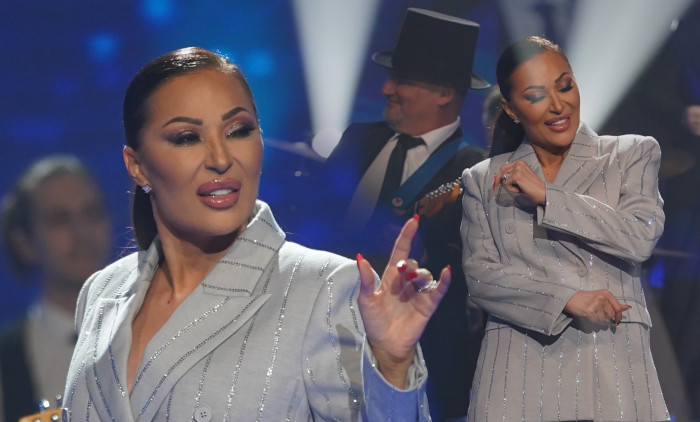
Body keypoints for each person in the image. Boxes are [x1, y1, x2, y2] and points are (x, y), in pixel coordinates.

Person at [60, 46, 450, 422]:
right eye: (187, 137)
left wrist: (392, 366)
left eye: (238, 130)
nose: (220, 159)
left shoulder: (325, 288)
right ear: (137, 166)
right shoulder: (101, 291)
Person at [461, 36, 668, 421]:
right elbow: (480, 277)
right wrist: (565, 299)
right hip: (515, 373)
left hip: (611, 363)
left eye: (565, 86)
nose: (558, 105)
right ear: (510, 108)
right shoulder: (482, 178)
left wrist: (548, 196)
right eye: (536, 96)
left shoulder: (631, 153)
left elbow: (640, 236)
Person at [318, 8, 489, 421]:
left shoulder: (475, 171)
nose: (386, 88)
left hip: (414, 351)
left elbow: (473, 270)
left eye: (403, 80)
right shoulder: (357, 139)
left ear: (444, 93)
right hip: (327, 329)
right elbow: (314, 219)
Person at [0, 154, 112, 422]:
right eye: (60, 219)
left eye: (92, 213)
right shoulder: (6, 361)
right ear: (25, 243)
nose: (82, 232)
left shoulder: (152, 329)